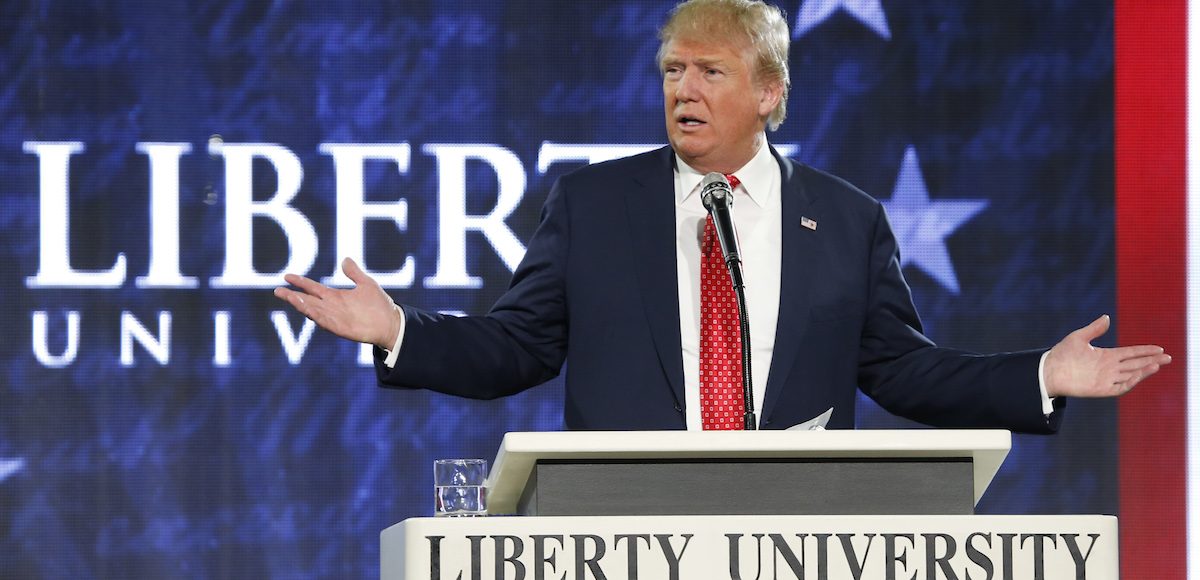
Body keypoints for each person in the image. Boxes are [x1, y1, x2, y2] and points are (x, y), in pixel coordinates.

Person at [274, 0, 1170, 432]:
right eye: (672, 71)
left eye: (710, 73)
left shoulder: (847, 221)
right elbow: (518, 348)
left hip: (794, 537)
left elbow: (903, 372)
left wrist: (1039, 379)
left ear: (770, 93)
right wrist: (400, 330)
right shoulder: (594, 205)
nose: (684, 90)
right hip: (628, 538)